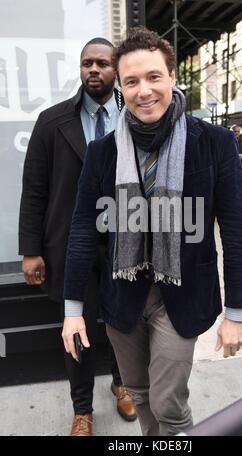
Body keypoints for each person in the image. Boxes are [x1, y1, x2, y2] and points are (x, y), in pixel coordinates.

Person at [62, 27, 242, 436]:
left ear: (171, 78)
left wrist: (237, 313)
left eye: (153, 77)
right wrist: (72, 310)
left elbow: (238, 231)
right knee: (139, 390)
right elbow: (82, 230)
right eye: (131, 81)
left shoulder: (214, 143)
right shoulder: (103, 152)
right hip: (122, 294)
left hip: (182, 294)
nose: (143, 91)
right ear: (121, 87)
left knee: (168, 400)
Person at [18, 37, 136, 436]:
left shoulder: (134, 118)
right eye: (87, 63)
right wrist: (31, 250)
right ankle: (82, 409)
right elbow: (34, 188)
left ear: (115, 69)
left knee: (125, 323)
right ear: (80, 67)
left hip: (126, 242)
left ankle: (123, 384)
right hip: (72, 245)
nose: (94, 70)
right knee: (77, 328)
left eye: (102, 63)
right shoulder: (52, 121)